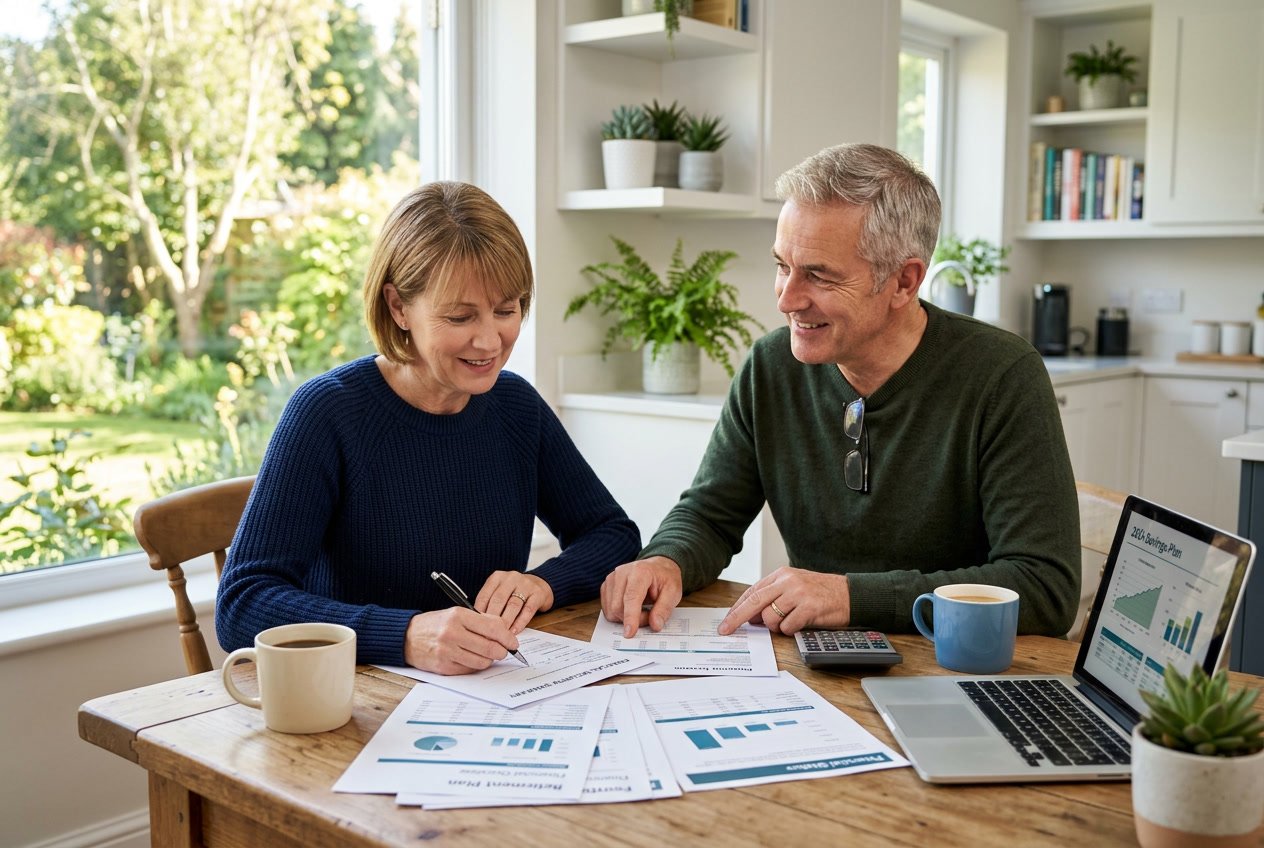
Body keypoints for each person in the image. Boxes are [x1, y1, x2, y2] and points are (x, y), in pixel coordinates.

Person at [600, 143, 1079, 640]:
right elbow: (710, 514)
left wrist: (850, 596)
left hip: (958, 673)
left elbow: (1045, 588)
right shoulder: (770, 366)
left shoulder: (1002, 376)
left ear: (904, 281)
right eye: (782, 265)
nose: (787, 299)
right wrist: (666, 560)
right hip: (820, 667)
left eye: (819, 275)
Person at [217, 181, 641, 674]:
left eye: (507, 310)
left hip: (486, 693)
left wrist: (544, 582)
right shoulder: (327, 413)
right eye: (461, 316)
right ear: (399, 307)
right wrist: (403, 635)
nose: (490, 340)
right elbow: (242, 604)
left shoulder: (516, 406)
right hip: (357, 706)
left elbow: (612, 533)